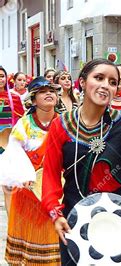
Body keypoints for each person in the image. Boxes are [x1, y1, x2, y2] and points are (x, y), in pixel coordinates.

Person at [41, 59, 121, 264]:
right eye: (99, 78)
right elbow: (50, 175)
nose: (106, 85)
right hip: (74, 219)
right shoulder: (61, 125)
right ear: (83, 82)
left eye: (113, 82)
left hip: (118, 219)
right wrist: (55, 213)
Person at [0, 76, 61, 265]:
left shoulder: (65, 123)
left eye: (52, 90)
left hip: (57, 189)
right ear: (33, 100)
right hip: (29, 189)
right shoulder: (24, 125)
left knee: (54, 232)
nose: (49, 94)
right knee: (30, 231)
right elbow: (14, 152)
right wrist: (26, 176)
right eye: (43, 92)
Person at [0, 66, 25, 215]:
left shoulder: (14, 97)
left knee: (8, 185)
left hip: (7, 146)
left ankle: (11, 222)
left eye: (2, 76)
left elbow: (22, 121)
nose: (0, 79)